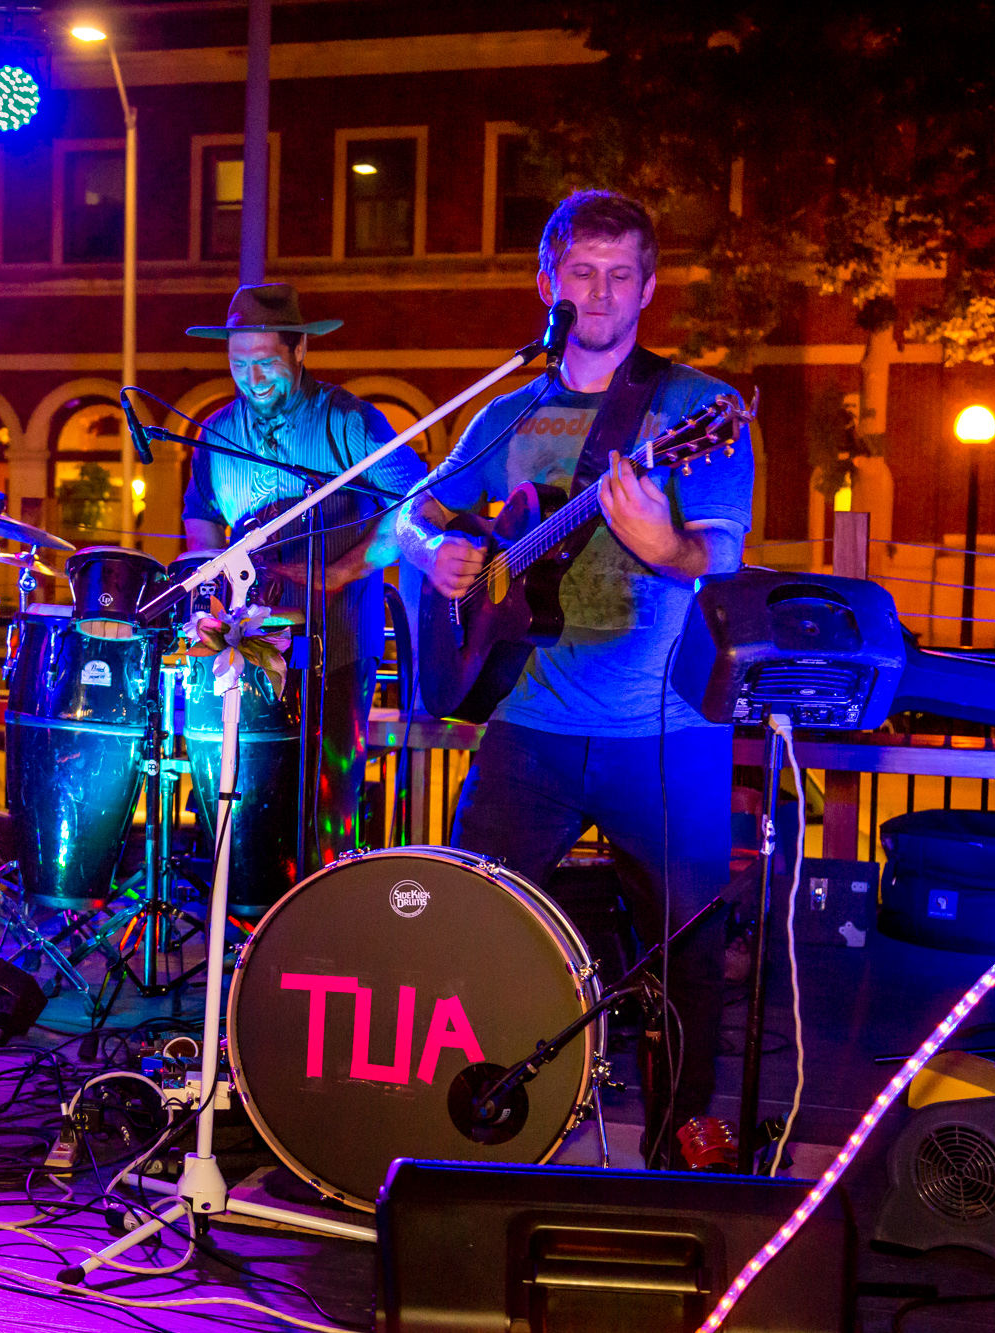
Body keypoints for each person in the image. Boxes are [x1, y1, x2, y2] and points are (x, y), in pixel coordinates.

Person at [394, 191, 754, 1166]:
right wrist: (436, 552)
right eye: (579, 272)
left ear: (648, 286)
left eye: (618, 274)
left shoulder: (694, 413)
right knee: (480, 929)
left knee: (683, 951)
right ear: (545, 281)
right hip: (527, 723)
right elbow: (409, 513)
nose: (597, 293)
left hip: (666, 731)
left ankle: (680, 1142)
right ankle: (482, 1116)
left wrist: (664, 541)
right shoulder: (509, 412)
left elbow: (716, 554)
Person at [182, 283, 426, 859]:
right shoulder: (217, 432)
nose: (252, 378)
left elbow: (418, 506)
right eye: (239, 364)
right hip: (245, 647)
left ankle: (324, 925)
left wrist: (340, 572)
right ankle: (248, 928)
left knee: (326, 800)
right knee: (244, 798)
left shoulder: (351, 421)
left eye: (266, 362)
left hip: (334, 642)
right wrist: (212, 595)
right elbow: (202, 529)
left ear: (299, 352)